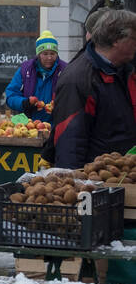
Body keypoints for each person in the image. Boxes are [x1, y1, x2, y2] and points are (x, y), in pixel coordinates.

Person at [50, 9, 136, 169]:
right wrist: (76, 184)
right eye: (134, 38)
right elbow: (70, 141)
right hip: (98, 180)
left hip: (122, 174)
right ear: (117, 40)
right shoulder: (78, 78)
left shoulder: (124, 70)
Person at [4, 32, 66, 123]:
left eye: (52, 53)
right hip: (28, 126)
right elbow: (11, 95)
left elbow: (73, 98)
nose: (49, 57)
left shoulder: (65, 70)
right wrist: (24, 103)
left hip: (56, 127)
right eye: (45, 54)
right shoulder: (25, 70)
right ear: (38, 54)